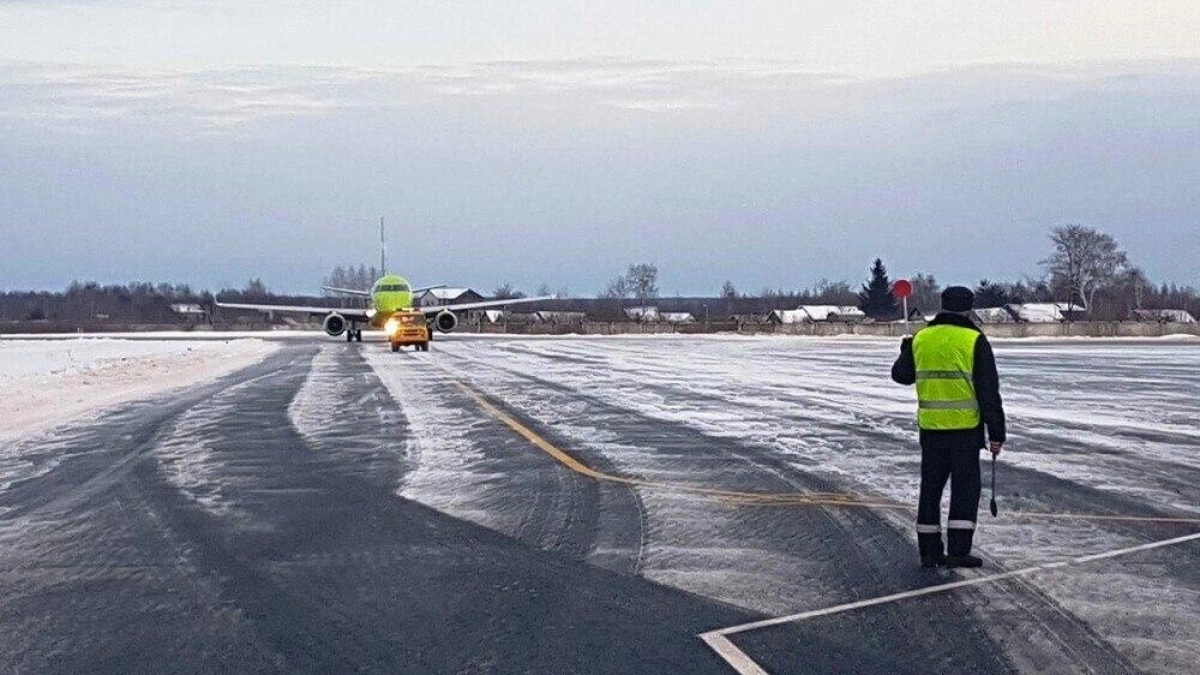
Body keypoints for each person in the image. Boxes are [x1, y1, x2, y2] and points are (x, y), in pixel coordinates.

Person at [892, 286, 1005, 568]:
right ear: (968, 309)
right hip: (965, 432)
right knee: (964, 491)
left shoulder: (921, 339)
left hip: (931, 432)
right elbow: (988, 390)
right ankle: (958, 551)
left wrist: (907, 349)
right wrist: (997, 432)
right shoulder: (974, 340)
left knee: (930, 490)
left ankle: (929, 552)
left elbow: (901, 376)